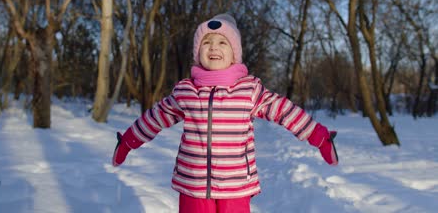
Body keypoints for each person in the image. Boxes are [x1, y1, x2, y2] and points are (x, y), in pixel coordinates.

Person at [112, 13, 339, 213]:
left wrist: (319, 137)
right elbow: (154, 118)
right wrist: (128, 142)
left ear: (234, 55)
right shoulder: (186, 91)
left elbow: (285, 111)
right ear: (197, 52)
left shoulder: (248, 90)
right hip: (193, 185)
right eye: (206, 42)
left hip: (236, 186)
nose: (213, 47)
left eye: (223, 42)